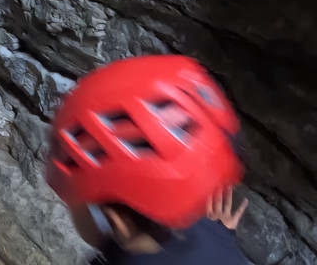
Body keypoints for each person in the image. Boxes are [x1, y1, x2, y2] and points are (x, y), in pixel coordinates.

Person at [45, 54, 252, 265]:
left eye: (71, 201)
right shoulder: (208, 236)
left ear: (116, 222)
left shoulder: (210, 232)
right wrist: (220, 238)